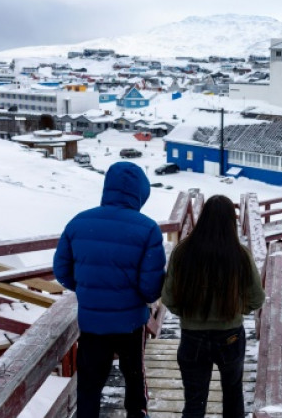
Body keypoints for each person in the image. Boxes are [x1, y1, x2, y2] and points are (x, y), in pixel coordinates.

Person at [54, 162, 166, 418]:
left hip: (92, 323)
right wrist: (137, 297)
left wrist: (88, 290)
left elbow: (62, 271)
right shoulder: (148, 228)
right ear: (140, 192)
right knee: (134, 376)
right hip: (131, 323)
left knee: (89, 384)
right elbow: (151, 287)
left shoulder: (78, 223)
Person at [161, 195, 265, 418]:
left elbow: (168, 299)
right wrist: (236, 310)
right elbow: (257, 299)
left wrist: (189, 314)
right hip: (230, 337)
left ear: (202, 218)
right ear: (231, 222)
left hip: (192, 337)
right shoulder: (240, 255)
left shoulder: (182, 252)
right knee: (233, 396)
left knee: (194, 401)